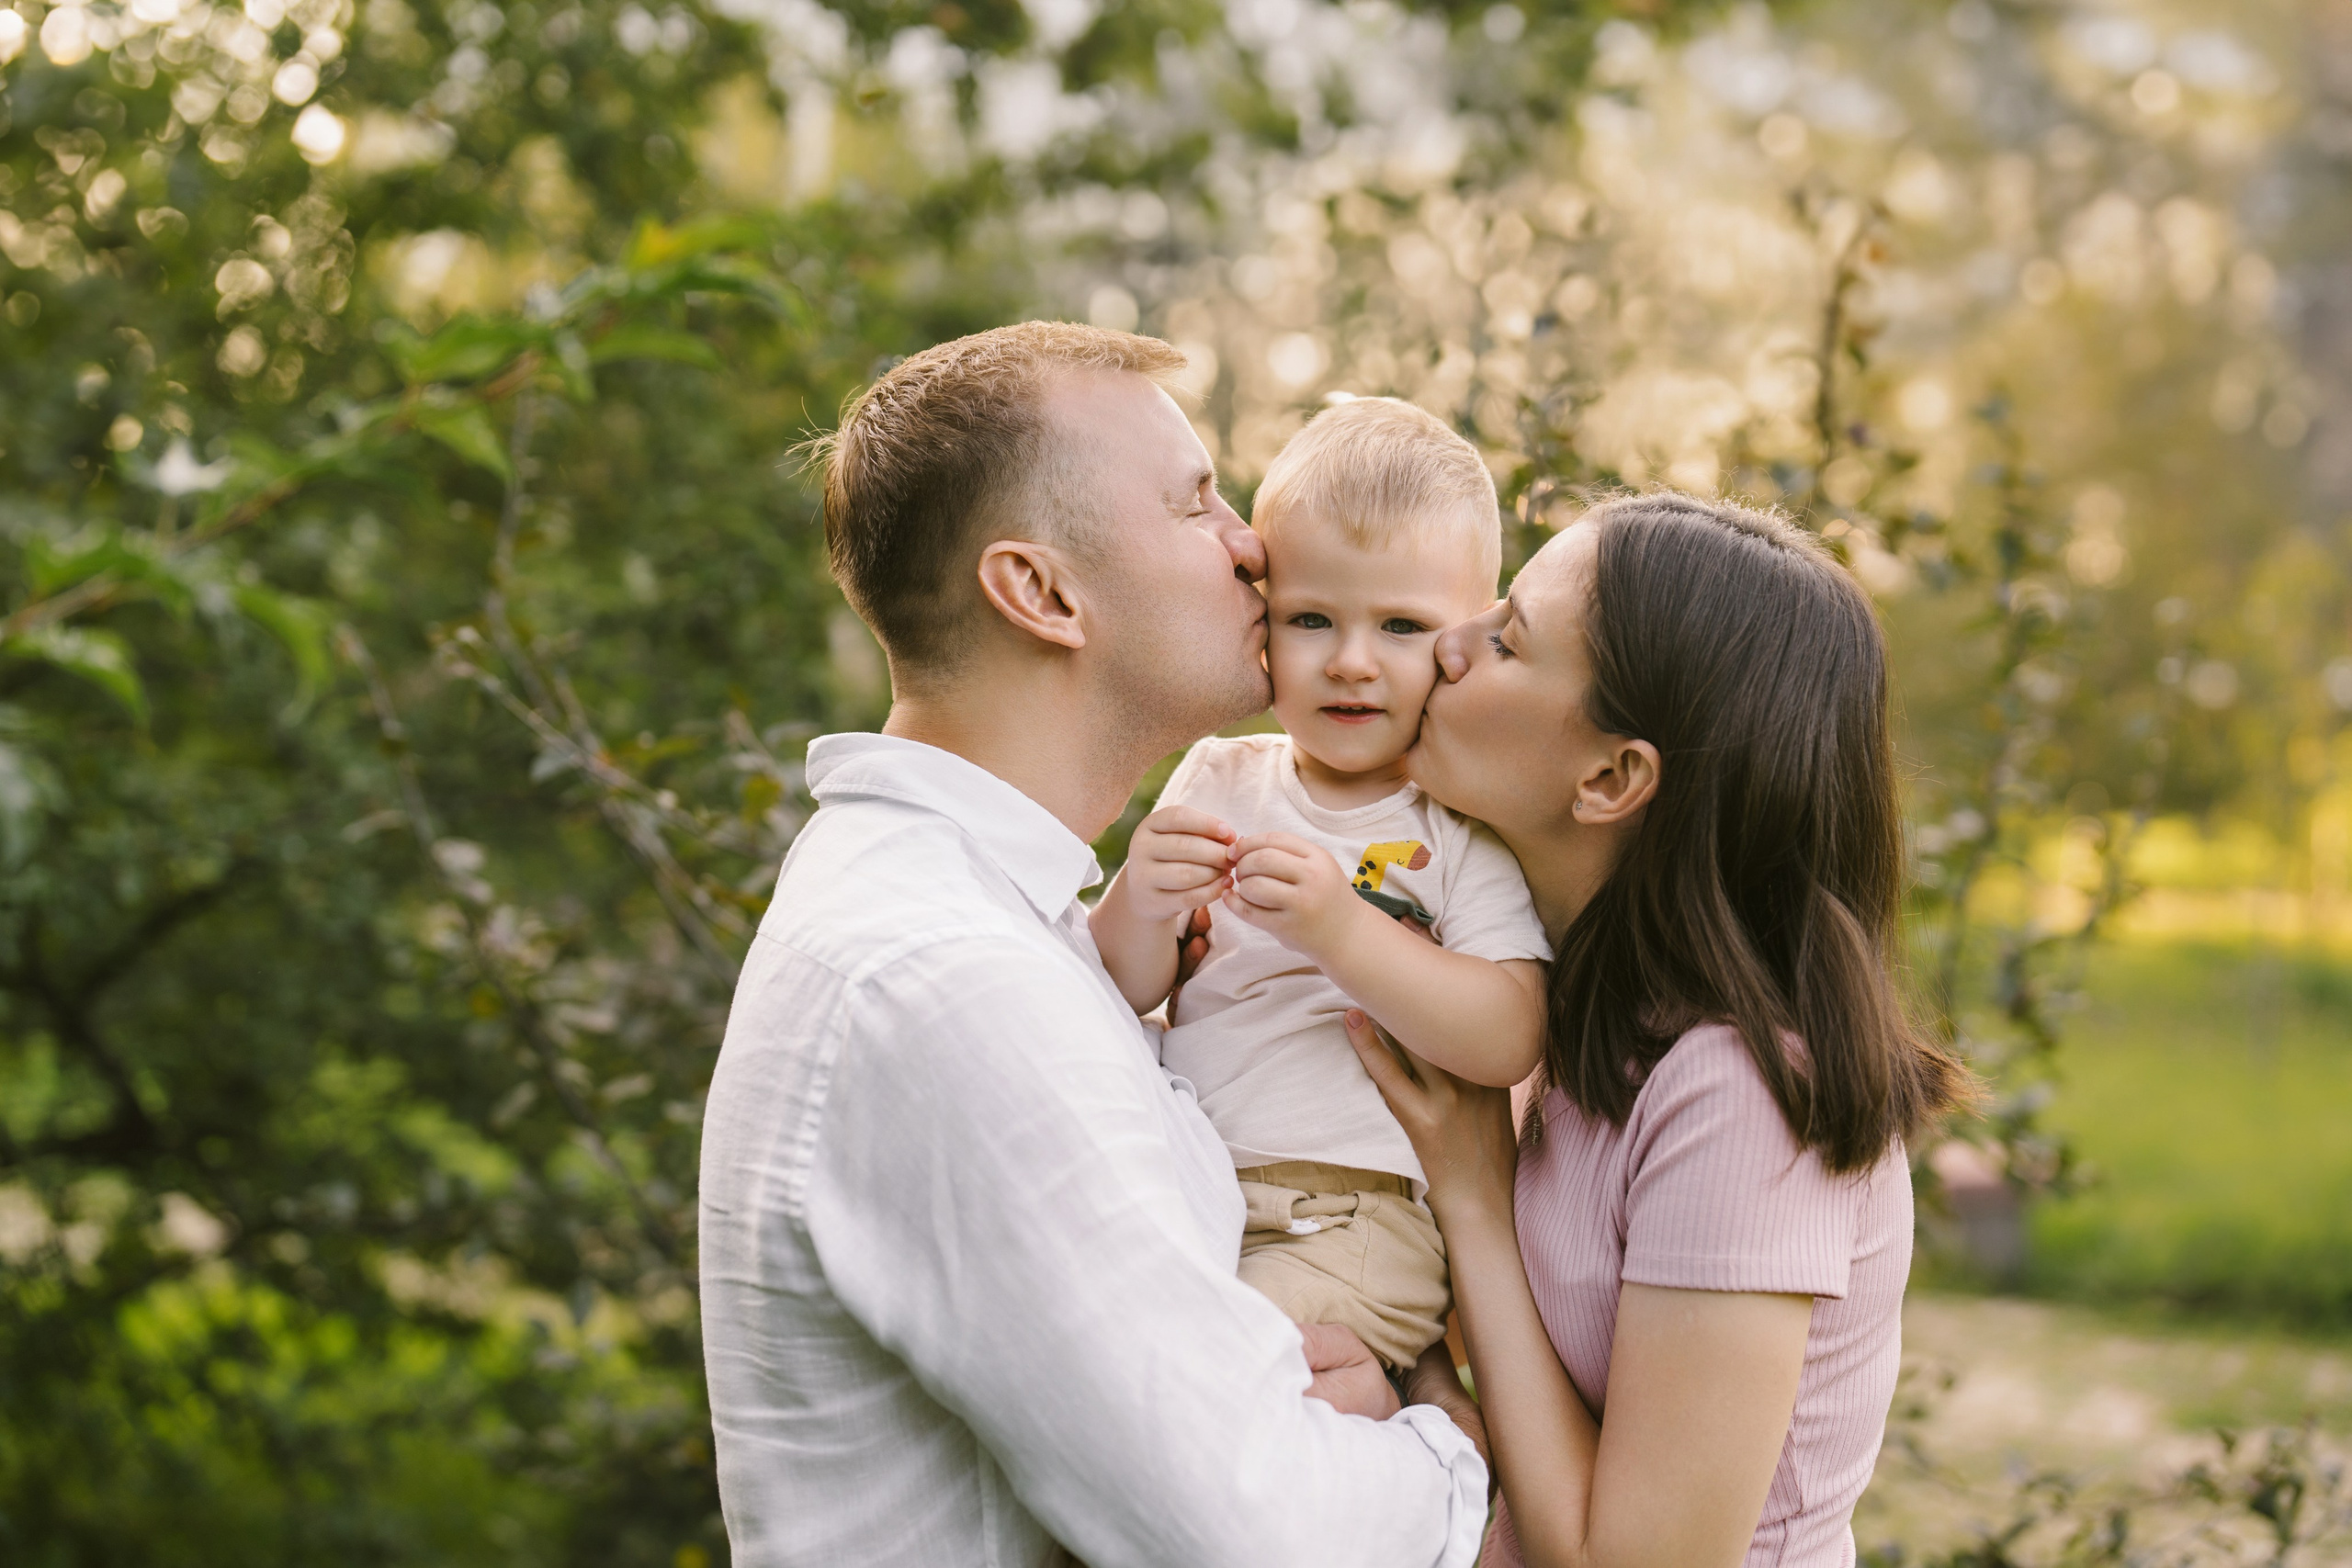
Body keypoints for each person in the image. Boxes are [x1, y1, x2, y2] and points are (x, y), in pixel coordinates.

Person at [696, 322, 1488, 1568]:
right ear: (1045, 593)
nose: (1252, 546)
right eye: (1195, 502)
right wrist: (1443, 1434)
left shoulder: (1010, 921)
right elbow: (1248, 1527)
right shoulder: (951, 979)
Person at [1351, 493, 1974, 1568]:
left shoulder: (1742, 1093)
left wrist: (1471, 1191)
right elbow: (1521, 1379)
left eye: (1504, 641)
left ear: (1610, 778)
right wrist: (1420, 1388)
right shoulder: (1548, 1015)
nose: (1443, 645)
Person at [1090, 396, 1550, 1375]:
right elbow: (1121, 990)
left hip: (1355, 1216)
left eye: (1399, 626)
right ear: (1263, 622)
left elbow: (1508, 1034)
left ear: (1465, 636)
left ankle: (1391, 1426)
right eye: (1311, 618)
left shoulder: (1461, 826)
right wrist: (1139, 901)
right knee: (1102, 1364)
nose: (1349, 661)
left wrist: (1343, 930)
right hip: (1186, 1183)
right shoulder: (1219, 777)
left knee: (1209, 1378)